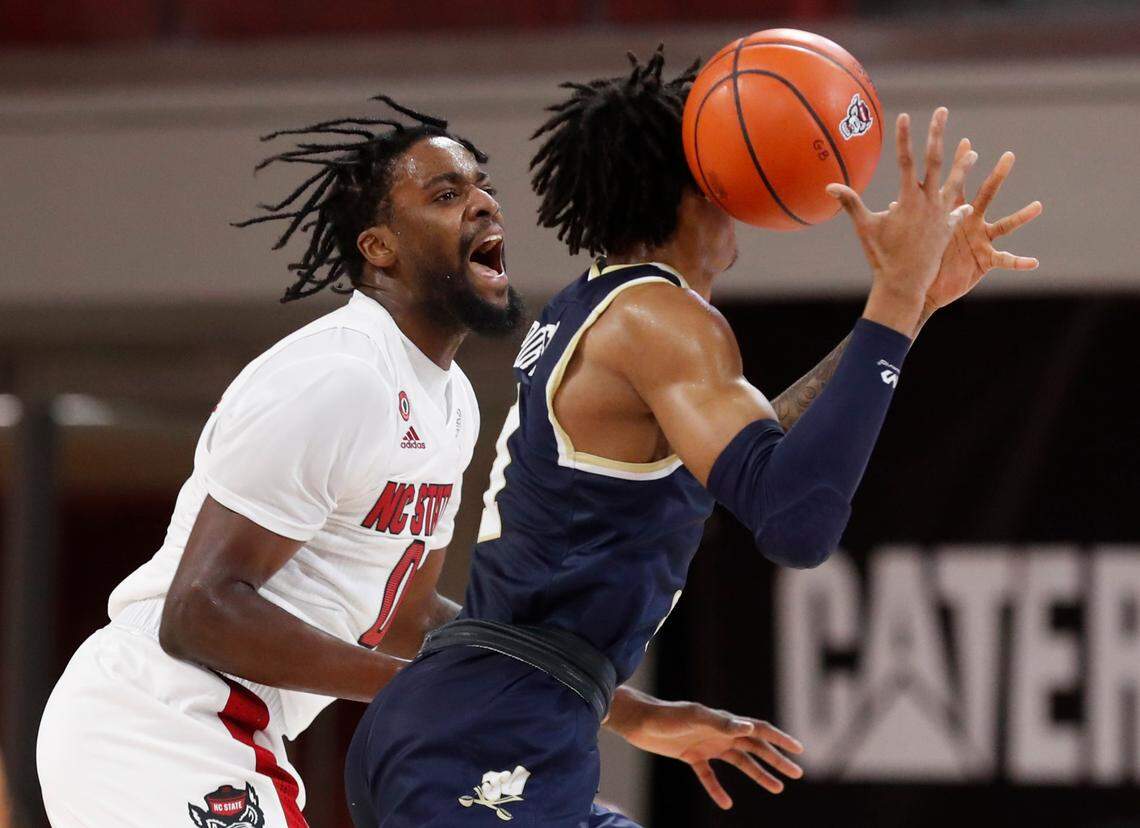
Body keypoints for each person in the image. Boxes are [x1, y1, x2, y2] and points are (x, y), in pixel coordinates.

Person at [35, 95, 802, 828]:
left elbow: (406, 616)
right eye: (445, 193)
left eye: (483, 186)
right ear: (379, 248)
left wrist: (621, 709)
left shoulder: (450, 402)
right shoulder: (339, 376)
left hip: (224, 728)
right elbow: (197, 612)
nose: (483, 204)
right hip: (154, 718)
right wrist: (444, 695)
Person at [345, 49, 1042, 827]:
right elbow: (797, 520)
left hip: (488, 720)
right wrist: (892, 295)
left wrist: (908, 311)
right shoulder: (662, 320)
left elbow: (752, 454)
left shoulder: (601, 308)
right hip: (484, 737)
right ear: (687, 192)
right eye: (717, 175)